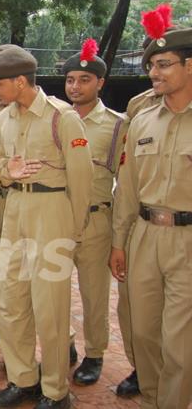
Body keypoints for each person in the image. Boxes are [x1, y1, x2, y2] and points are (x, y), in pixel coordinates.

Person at [0, 45, 92, 409]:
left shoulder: (62, 117)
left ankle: (54, 390)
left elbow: (83, 178)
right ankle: (22, 379)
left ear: (20, 80)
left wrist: (74, 231)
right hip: (15, 207)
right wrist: (6, 173)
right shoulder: (3, 118)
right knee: (11, 302)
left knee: (50, 307)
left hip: (52, 210)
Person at [110, 24, 192, 409]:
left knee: (180, 342)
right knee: (142, 332)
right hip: (144, 235)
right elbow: (126, 189)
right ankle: (155, 398)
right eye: (151, 67)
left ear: (190, 66)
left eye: (163, 65)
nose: (154, 74)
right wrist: (118, 242)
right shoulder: (142, 120)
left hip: (187, 241)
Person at [61, 41, 128, 387]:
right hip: (58, 217)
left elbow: (124, 182)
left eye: (84, 79)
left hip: (96, 218)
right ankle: (66, 342)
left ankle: (96, 353)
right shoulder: (56, 119)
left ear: (100, 83)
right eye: (71, 79)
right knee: (54, 288)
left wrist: (120, 237)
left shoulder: (117, 125)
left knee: (93, 293)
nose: (75, 87)